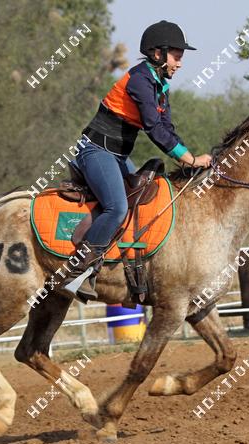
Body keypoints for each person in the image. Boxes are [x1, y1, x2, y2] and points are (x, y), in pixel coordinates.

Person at [62, 20, 213, 302]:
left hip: (117, 155)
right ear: (158, 54)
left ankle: (129, 269)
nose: (180, 63)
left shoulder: (160, 85)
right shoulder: (140, 81)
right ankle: (77, 271)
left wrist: (188, 157)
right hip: (95, 150)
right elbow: (154, 129)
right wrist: (190, 159)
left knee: (141, 201)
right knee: (117, 208)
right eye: (177, 56)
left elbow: (167, 128)